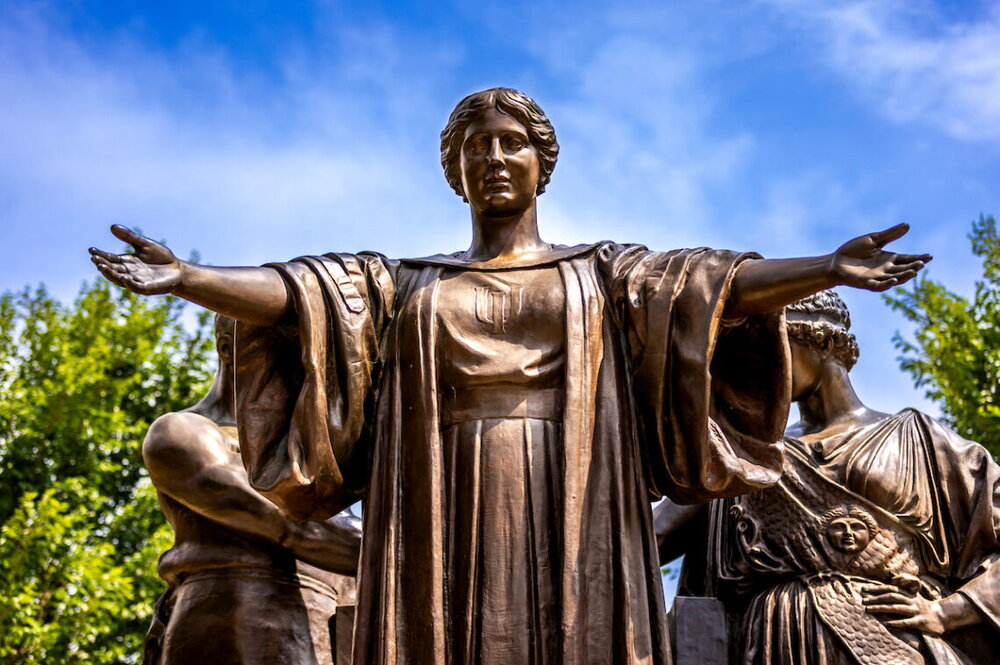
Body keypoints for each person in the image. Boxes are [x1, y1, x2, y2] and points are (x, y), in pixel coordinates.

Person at [91, 88, 930, 665]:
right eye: (475, 147)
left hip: (574, 491)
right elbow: (304, 293)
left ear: (542, 163)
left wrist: (824, 267)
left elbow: (705, 287)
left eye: (512, 143)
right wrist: (190, 279)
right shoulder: (409, 282)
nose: (494, 157)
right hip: (436, 491)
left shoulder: (600, 274)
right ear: (455, 169)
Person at [657, 290, 1000, 664]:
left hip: (893, 645)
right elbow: (647, 538)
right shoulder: (744, 456)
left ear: (823, 341)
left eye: (772, 349)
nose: (759, 369)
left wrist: (948, 612)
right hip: (774, 645)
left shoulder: (923, 441)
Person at [142, 315, 362, 665]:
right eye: (288, 351)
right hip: (232, 628)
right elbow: (291, 525)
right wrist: (409, 555)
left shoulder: (309, 456)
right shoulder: (181, 433)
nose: (306, 370)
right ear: (228, 348)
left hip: (330, 635)